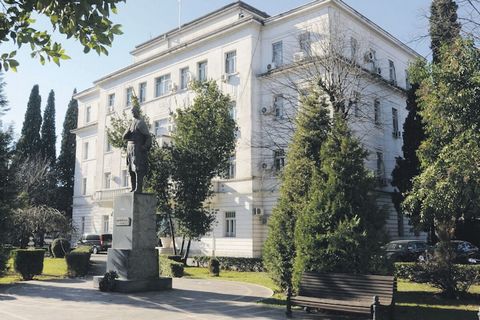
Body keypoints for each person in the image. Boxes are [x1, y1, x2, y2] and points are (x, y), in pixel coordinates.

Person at [123, 104, 151, 193]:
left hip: (137, 148)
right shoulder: (131, 123)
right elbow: (124, 137)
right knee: (130, 169)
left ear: (137, 111)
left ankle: (138, 189)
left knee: (138, 168)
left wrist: (145, 147)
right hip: (130, 148)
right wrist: (128, 130)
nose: (132, 113)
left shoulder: (140, 122)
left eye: (133, 111)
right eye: (131, 111)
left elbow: (148, 137)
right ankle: (133, 187)